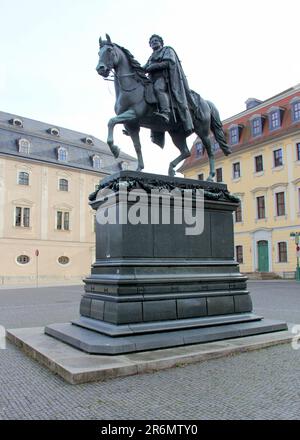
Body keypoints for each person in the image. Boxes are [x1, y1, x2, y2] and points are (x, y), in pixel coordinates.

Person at [143, 34, 194, 134]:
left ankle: (165, 112)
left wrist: (153, 67)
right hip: (152, 80)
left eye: (156, 40)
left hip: (164, 78)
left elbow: (168, 63)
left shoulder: (167, 50)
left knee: (158, 89)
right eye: (152, 41)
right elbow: (144, 67)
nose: (154, 42)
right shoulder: (151, 57)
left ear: (161, 42)